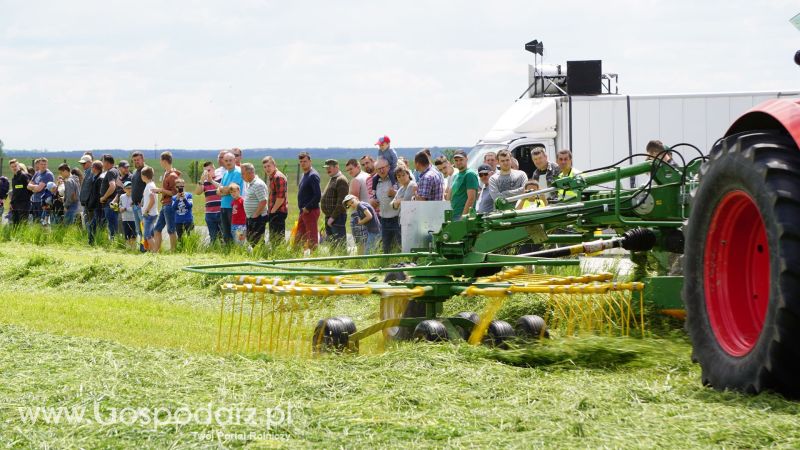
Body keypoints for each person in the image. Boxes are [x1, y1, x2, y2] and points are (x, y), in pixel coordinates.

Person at [151, 151, 181, 252]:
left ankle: (173, 250)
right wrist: (160, 191)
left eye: (160, 160)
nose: (160, 162)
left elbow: (175, 193)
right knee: (157, 229)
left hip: (169, 205)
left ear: (164, 161)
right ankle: (156, 251)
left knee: (171, 229)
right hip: (165, 205)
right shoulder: (166, 174)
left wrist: (161, 190)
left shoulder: (172, 175)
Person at [214, 151, 243, 244]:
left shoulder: (238, 172)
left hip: (234, 207)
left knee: (236, 231)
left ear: (235, 160)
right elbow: (218, 191)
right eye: (226, 160)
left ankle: (238, 251)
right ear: (223, 161)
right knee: (226, 232)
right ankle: (228, 252)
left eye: (230, 160)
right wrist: (224, 190)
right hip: (224, 206)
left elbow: (231, 189)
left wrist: (224, 190)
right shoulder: (226, 173)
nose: (228, 162)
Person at [371, 158, 400, 253]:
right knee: (386, 248)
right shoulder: (376, 182)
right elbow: (373, 198)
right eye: (378, 169)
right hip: (383, 219)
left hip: (397, 219)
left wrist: (395, 193)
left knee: (399, 246)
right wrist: (372, 202)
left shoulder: (397, 178)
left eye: (383, 168)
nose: (381, 170)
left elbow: (407, 196)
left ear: (388, 167)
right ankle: (388, 265)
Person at [320, 159, 349, 247]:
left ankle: (342, 261)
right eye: (326, 168)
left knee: (339, 245)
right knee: (332, 245)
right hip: (330, 217)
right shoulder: (333, 178)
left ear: (336, 167)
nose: (327, 170)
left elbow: (341, 202)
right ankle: (334, 260)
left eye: (329, 167)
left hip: (337, 217)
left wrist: (332, 218)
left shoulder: (341, 180)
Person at [296, 152, 321, 250]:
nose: (303, 163)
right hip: (303, 211)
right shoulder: (304, 174)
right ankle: (296, 258)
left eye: (305, 161)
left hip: (310, 211)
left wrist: (307, 207)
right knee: (299, 237)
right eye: (301, 161)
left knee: (311, 237)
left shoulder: (313, 175)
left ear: (310, 161)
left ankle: (314, 258)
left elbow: (318, 195)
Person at [262, 156, 288, 243]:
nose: (267, 169)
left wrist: (273, 211)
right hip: (275, 211)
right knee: (274, 238)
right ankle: (275, 254)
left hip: (278, 211)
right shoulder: (272, 176)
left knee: (278, 239)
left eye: (269, 166)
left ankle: (280, 255)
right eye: (265, 167)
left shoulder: (278, 177)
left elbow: (281, 197)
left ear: (274, 165)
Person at [195, 161, 222, 244]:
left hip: (220, 211)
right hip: (209, 213)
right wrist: (201, 181)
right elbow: (198, 192)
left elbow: (223, 188)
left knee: (223, 236)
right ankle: (214, 252)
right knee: (213, 237)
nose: (207, 173)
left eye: (209, 170)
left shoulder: (220, 178)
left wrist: (211, 181)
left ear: (214, 169)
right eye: (205, 171)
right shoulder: (204, 182)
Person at [241, 163, 268, 246]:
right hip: (252, 217)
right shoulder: (251, 184)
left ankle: (261, 257)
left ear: (250, 173)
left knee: (257, 240)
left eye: (243, 173)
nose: (242, 176)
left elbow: (263, 201)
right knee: (251, 239)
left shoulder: (258, 184)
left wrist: (255, 215)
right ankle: (256, 256)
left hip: (258, 217)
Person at [449, 150, 479, 220]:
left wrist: (463, 217)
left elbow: (471, 198)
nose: (458, 162)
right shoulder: (456, 175)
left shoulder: (469, 174)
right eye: (456, 160)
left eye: (461, 159)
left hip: (463, 216)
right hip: (454, 214)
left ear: (466, 159)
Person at [98, 154, 119, 238]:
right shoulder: (115, 170)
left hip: (109, 202)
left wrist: (104, 197)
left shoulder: (110, 172)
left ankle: (113, 241)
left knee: (112, 223)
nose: (102, 164)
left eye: (103, 161)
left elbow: (112, 186)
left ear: (106, 162)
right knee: (114, 221)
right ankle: (115, 240)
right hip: (113, 202)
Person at [28, 157, 54, 224]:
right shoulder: (37, 173)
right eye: (42, 164)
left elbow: (38, 189)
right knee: (35, 222)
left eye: (45, 164)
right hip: (35, 201)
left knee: (43, 223)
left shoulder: (48, 174)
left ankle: (44, 235)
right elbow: (28, 186)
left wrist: (33, 188)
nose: (43, 166)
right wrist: (35, 187)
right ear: (38, 165)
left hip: (43, 203)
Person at [140, 166, 159, 251]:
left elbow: (152, 200)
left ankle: (155, 252)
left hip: (149, 214)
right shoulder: (151, 185)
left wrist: (146, 211)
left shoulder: (149, 186)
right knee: (150, 234)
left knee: (147, 235)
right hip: (151, 213)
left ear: (143, 176)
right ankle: (152, 251)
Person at [86, 161, 104, 245]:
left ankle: (92, 242)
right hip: (97, 206)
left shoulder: (99, 179)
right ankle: (93, 242)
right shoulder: (96, 177)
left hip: (99, 206)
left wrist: (93, 204)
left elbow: (99, 194)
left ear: (95, 168)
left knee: (93, 225)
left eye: (92, 167)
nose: (91, 168)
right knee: (94, 225)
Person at [9, 160, 31, 225]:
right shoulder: (14, 178)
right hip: (15, 205)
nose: (14, 168)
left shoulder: (24, 175)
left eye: (15, 166)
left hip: (24, 204)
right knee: (15, 225)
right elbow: (15, 192)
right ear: (10, 168)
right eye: (12, 167)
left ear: (19, 166)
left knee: (23, 224)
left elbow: (31, 188)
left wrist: (26, 198)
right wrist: (11, 202)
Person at [229, 183, 248, 248]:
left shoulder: (242, 201)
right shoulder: (233, 202)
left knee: (241, 242)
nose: (233, 193)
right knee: (236, 241)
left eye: (234, 191)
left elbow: (246, 211)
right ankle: (238, 253)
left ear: (239, 191)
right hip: (234, 224)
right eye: (231, 192)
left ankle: (247, 253)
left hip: (241, 225)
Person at [118, 181, 136, 248]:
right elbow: (120, 205)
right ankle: (128, 248)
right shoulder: (122, 196)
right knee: (126, 235)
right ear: (124, 189)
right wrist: (120, 208)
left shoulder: (134, 197)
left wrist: (125, 209)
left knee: (133, 235)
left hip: (133, 219)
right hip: (124, 219)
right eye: (127, 188)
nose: (129, 189)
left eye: (131, 188)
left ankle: (133, 248)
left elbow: (134, 208)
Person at [78, 154, 94, 226]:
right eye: (81, 163)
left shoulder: (92, 172)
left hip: (90, 203)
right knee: (87, 221)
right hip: (85, 202)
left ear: (90, 162)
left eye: (84, 163)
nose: (82, 165)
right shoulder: (86, 172)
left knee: (90, 222)